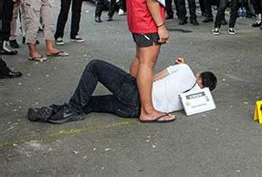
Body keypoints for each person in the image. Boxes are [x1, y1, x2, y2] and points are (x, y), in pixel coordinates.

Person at [27, 58, 217, 124]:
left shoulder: (185, 69)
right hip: (132, 111)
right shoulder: (197, 101)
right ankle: (55, 111)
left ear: (198, 76)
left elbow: (151, 78)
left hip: (136, 94)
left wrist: (183, 67)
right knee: (91, 103)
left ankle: (70, 108)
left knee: (95, 66)